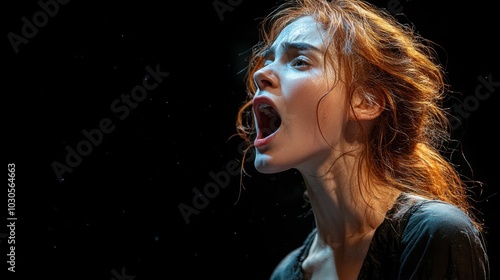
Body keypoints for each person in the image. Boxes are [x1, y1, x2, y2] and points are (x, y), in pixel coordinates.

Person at [234, 0, 490, 279]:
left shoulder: (436, 234)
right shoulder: (286, 273)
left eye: (300, 61)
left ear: (366, 102)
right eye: (268, 61)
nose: (260, 74)